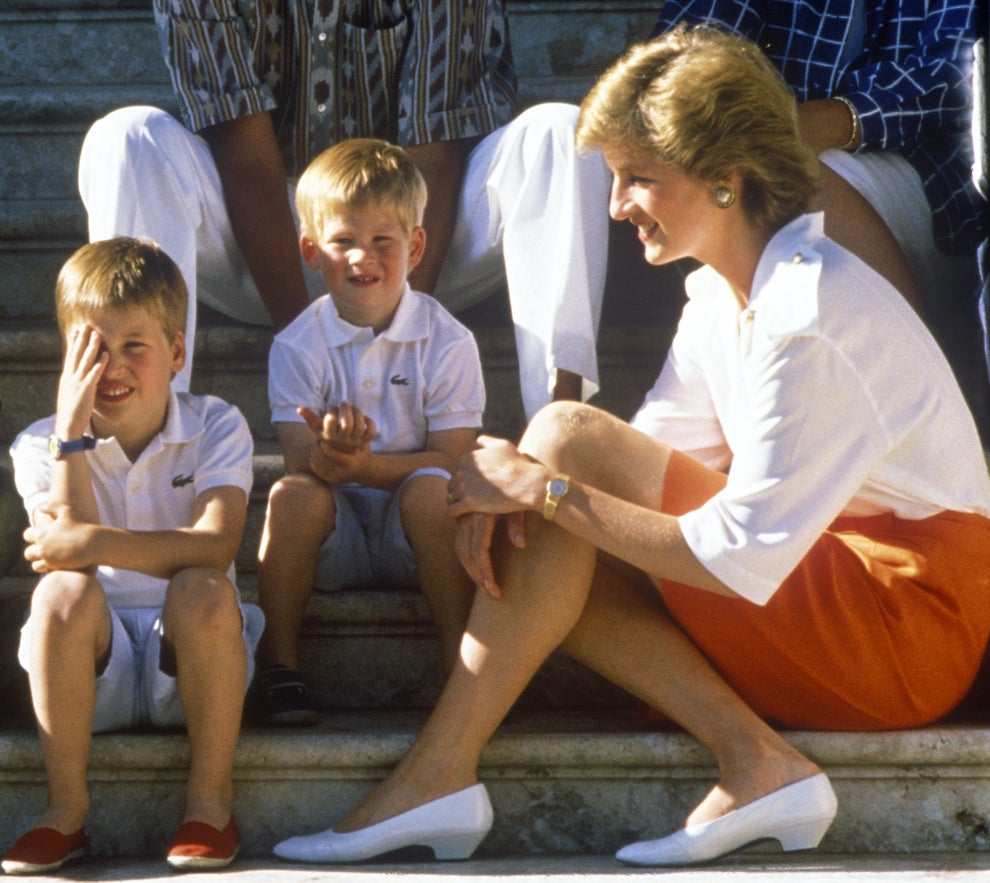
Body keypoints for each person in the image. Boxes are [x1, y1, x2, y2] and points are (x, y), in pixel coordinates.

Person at [269, 26, 990, 867]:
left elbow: (736, 557)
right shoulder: (724, 296)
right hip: (829, 583)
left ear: (726, 180)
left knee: (557, 458)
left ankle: (440, 767)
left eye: (638, 178)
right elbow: (624, 464)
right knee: (555, 469)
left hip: (906, 626)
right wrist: (534, 496)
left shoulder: (810, 313)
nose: (614, 207)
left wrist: (539, 491)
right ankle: (752, 759)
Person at [77, 0, 611, 417]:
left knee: (561, 133)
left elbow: (435, 154)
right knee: (127, 137)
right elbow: (246, 161)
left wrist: (396, 334)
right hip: (265, 242)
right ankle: (143, 437)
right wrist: (309, 350)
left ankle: (560, 429)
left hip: (410, 239)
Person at [2, 239, 260, 874]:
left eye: (133, 347)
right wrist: (71, 435)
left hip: (197, 660)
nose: (111, 370)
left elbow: (219, 545)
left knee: (203, 586)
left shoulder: (218, 424)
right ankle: (64, 811)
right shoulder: (38, 444)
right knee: (59, 595)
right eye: (92, 350)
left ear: (177, 352)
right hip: (94, 668)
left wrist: (95, 543)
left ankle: (209, 804)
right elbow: (68, 566)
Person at [651, 0, 990, 440]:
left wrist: (826, 121)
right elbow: (689, 51)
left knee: (796, 181)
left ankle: (913, 420)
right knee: (554, 134)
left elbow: (952, 75)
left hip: (925, 180)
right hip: (767, 158)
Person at [253, 138, 485, 726]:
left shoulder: (449, 340)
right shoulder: (295, 346)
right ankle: (278, 664)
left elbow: (456, 463)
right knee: (289, 496)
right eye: (342, 241)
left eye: (383, 240)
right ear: (310, 251)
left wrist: (369, 466)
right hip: (341, 534)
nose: (364, 257)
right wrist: (334, 455)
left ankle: (468, 665)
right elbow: (300, 460)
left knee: (433, 490)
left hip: (421, 531)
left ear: (416, 245)